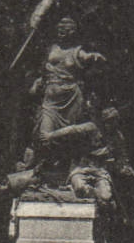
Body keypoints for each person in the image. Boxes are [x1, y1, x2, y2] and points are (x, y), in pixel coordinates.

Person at [30, 17, 105, 147]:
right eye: (59, 29)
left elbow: (87, 57)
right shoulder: (52, 48)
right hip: (51, 100)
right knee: (44, 136)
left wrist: (94, 56)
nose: (61, 32)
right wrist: (37, 83)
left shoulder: (77, 51)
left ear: (72, 32)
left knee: (68, 135)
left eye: (65, 30)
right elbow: (43, 71)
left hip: (71, 97)